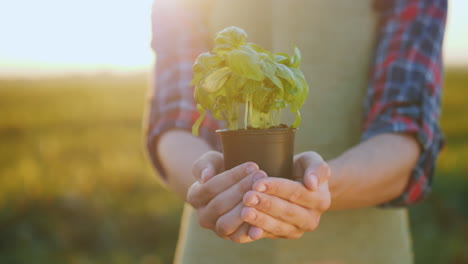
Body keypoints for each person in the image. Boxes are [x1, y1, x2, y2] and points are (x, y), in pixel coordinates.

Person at [145, 0, 446, 263]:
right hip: (217, 249)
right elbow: (175, 117)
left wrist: (315, 188)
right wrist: (213, 186)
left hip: (358, 250)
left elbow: (405, 128)